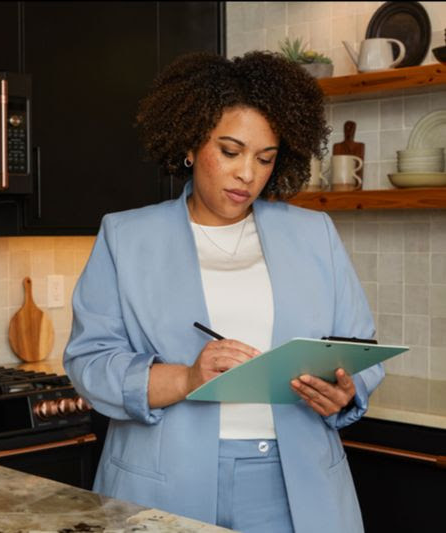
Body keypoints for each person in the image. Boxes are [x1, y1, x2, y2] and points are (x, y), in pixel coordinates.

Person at [64, 50, 384, 533]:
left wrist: (343, 391)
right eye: (231, 152)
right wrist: (188, 377)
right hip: (163, 484)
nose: (248, 175)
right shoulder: (126, 237)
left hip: (298, 488)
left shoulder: (314, 233)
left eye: (265, 159)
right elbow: (89, 362)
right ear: (191, 143)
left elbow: (362, 350)